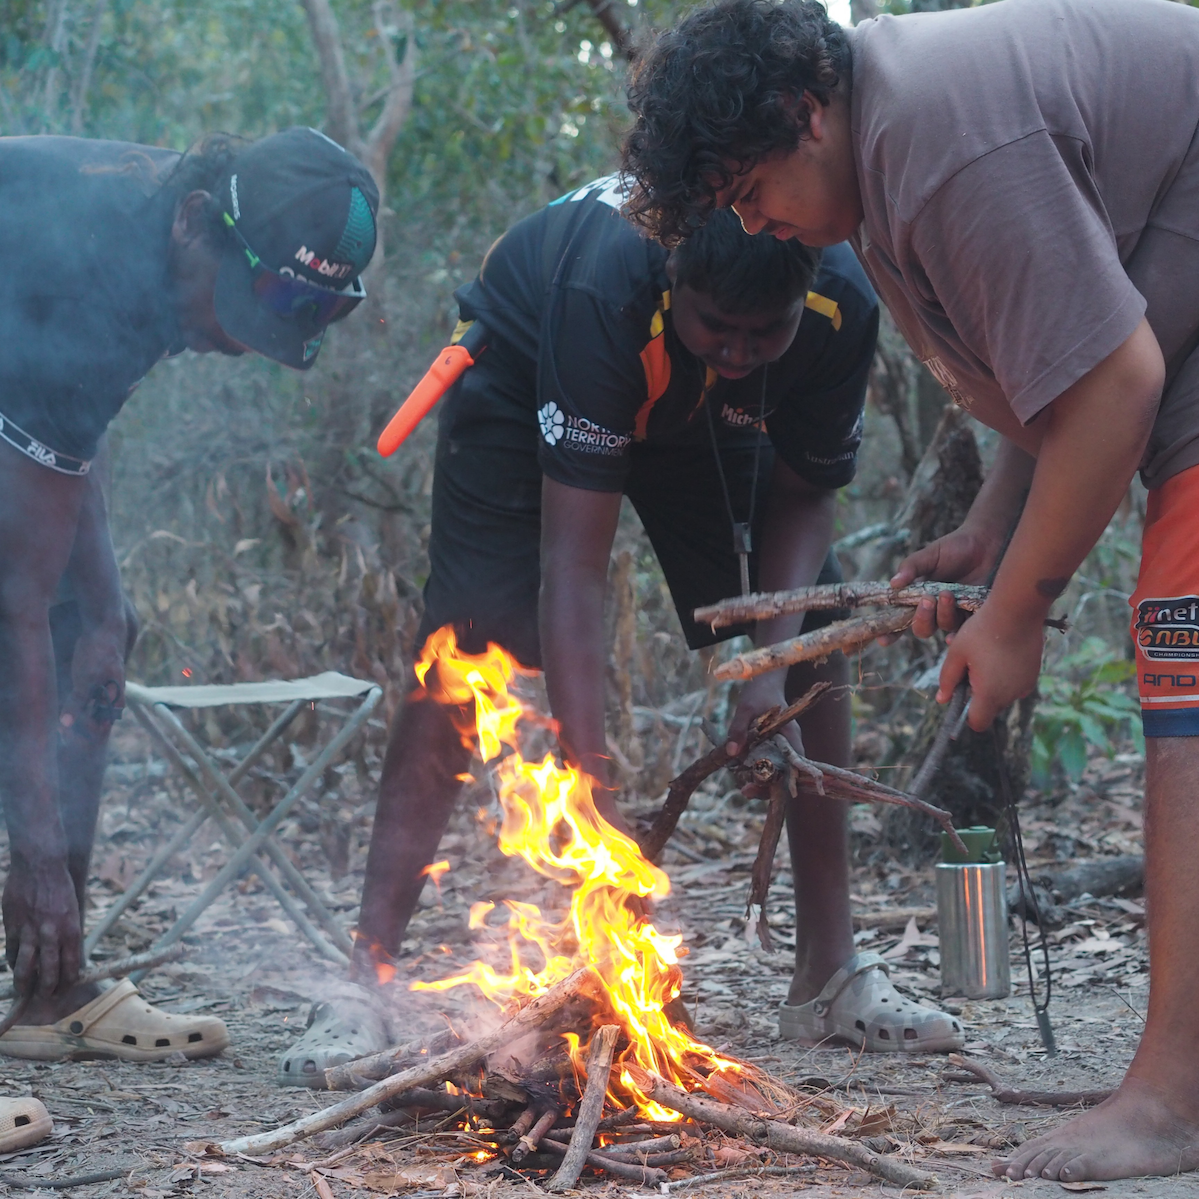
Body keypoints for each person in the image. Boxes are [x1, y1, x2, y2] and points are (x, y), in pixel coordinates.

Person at [619, 0, 1199, 1184]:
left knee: (1184, 714)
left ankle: (1170, 1098)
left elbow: (1112, 381)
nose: (749, 222)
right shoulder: (881, 175)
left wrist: (1018, 607)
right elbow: (1067, 349)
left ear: (806, 112)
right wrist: (989, 531)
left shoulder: (936, 138)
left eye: (745, 187)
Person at [278, 173, 969, 1085]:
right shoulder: (606, 287)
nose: (738, 350)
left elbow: (804, 496)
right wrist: (590, 794)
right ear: (675, 280)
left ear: (800, 294)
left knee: (816, 629)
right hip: (530, 366)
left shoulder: (838, 295)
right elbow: (574, 571)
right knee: (468, 644)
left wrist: (766, 669)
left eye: (764, 331)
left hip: (697, 420)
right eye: (718, 325)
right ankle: (363, 981)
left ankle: (829, 974)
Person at [0, 127, 379, 1062]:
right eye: (250, 305)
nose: (245, 343)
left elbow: (62, 435)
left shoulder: (163, 251)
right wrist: (36, 859)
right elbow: (12, 589)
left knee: (86, 650)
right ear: (196, 226)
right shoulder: (85, 267)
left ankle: (52, 995)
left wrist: (105, 607)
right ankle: (50, 916)